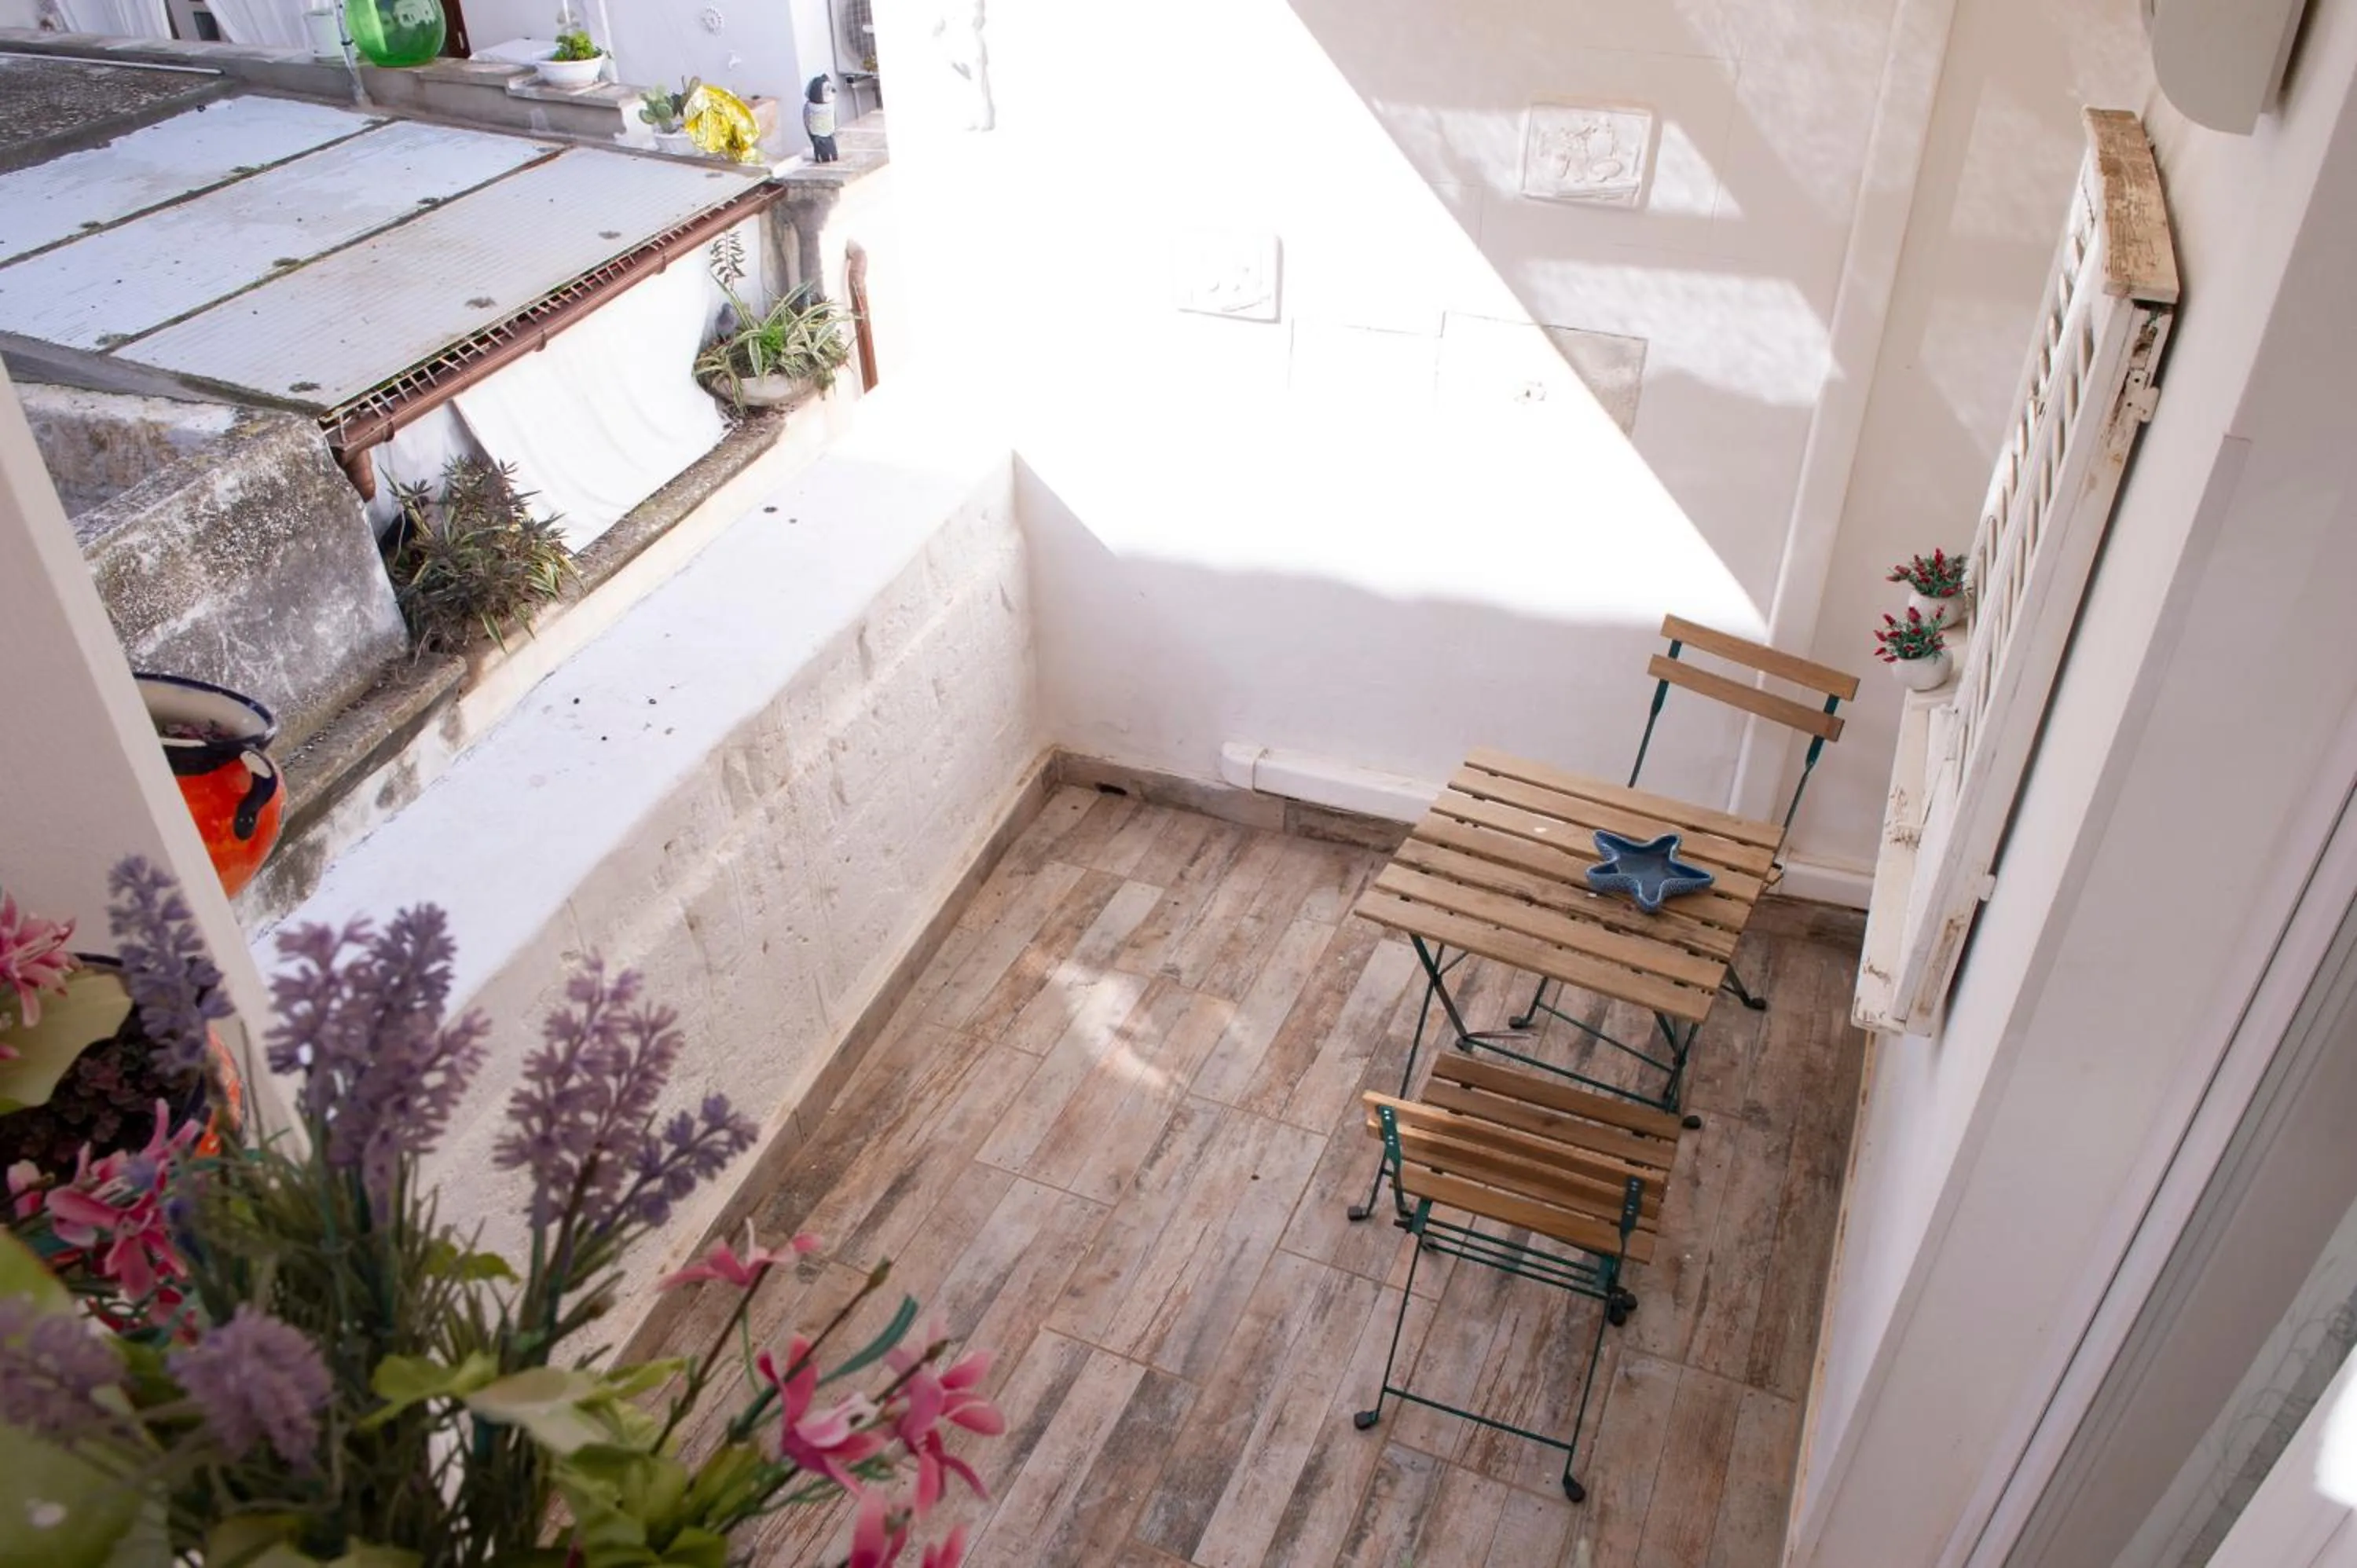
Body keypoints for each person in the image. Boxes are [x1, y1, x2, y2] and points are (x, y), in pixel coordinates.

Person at [803, 75, 840, 163]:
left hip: (823, 133)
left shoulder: (809, 107)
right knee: (825, 153)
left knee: (828, 154)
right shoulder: (810, 107)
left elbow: (807, 123)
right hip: (821, 134)